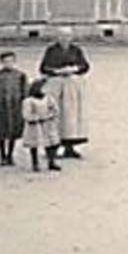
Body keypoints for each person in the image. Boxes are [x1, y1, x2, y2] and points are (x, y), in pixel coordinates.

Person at [38, 26, 91, 158]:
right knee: (57, 115)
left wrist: (75, 69)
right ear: (57, 37)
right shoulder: (51, 50)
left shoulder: (76, 50)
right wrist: (56, 71)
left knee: (71, 117)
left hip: (72, 87)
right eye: (62, 36)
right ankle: (53, 147)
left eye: (67, 36)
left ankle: (70, 147)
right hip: (56, 86)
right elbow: (43, 68)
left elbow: (85, 66)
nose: (65, 39)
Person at [0, 50, 28, 167]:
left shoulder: (20, 76)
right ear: (1, 62)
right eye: (5, 61)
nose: (8, 64)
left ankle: (10, 155)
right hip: (0, 107)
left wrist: (24, 106)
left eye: (10, 61)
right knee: (1, 132)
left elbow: (25, 92)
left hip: (15, 107)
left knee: (13, 132)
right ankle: (2, 155)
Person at [21, 78, 62, 173]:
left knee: (52, 143)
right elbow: (26, 114)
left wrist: (51, 115)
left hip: (48, 124)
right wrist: (36, 118)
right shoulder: (28, 101)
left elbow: (55, 109)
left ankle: (51, 161)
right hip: (35, 127)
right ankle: (35, 163)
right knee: (34, 144)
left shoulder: (48, 98)